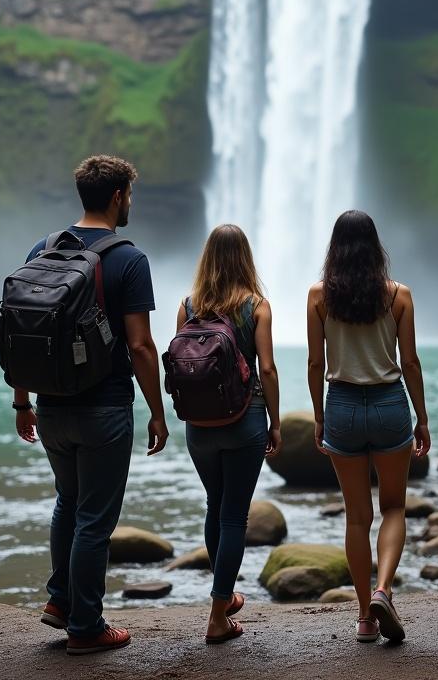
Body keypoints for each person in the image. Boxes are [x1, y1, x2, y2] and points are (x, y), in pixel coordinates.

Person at [13, 154, 168, 655]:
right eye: (131, 195)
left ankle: (60, 600)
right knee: (96, 519)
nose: (131, 204)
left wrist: (22, 403)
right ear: (119, 195)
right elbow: (141, 346)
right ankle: (85, 626)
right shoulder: (129, 259)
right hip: (103, 408)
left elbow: (23, 329)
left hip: (51, 406)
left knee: (68, 503)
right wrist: (157, 411)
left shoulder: (45, 247)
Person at [306, 210, 430, 645]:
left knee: (357, 517)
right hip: (389, 403)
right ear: (376, 247)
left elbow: (315, 362)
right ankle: (384, 591)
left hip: (341, 404)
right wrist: (422, 417)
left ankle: (364, 618)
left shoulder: (319, 296)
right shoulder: (398, 295)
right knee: (394, 507)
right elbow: (410, 362)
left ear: (334, 248)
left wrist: (319, 417)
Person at [175, 224, 282, 645]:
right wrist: (275, 420)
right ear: (245, 258)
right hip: (245, 420)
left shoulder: (187, 306)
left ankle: (223, 595)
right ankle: (218, 615)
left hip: (198, 425)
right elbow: (268, 369)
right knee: (235, 514)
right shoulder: (257, 306)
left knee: (214, 504)